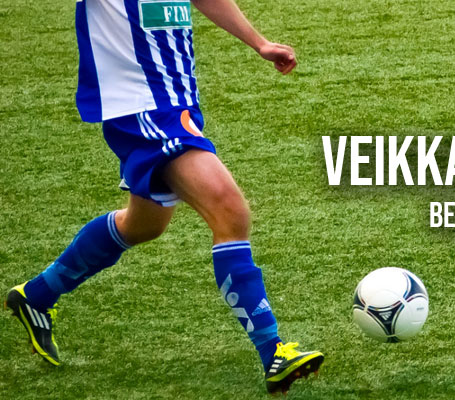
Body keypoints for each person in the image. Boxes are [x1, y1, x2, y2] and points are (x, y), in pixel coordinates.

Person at [4, 0, 322, 394]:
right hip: (142, 107)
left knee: (143, 224)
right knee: (230, 211)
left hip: (178, 102)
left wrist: (259, 43)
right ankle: (273, 352)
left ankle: (36, 295)